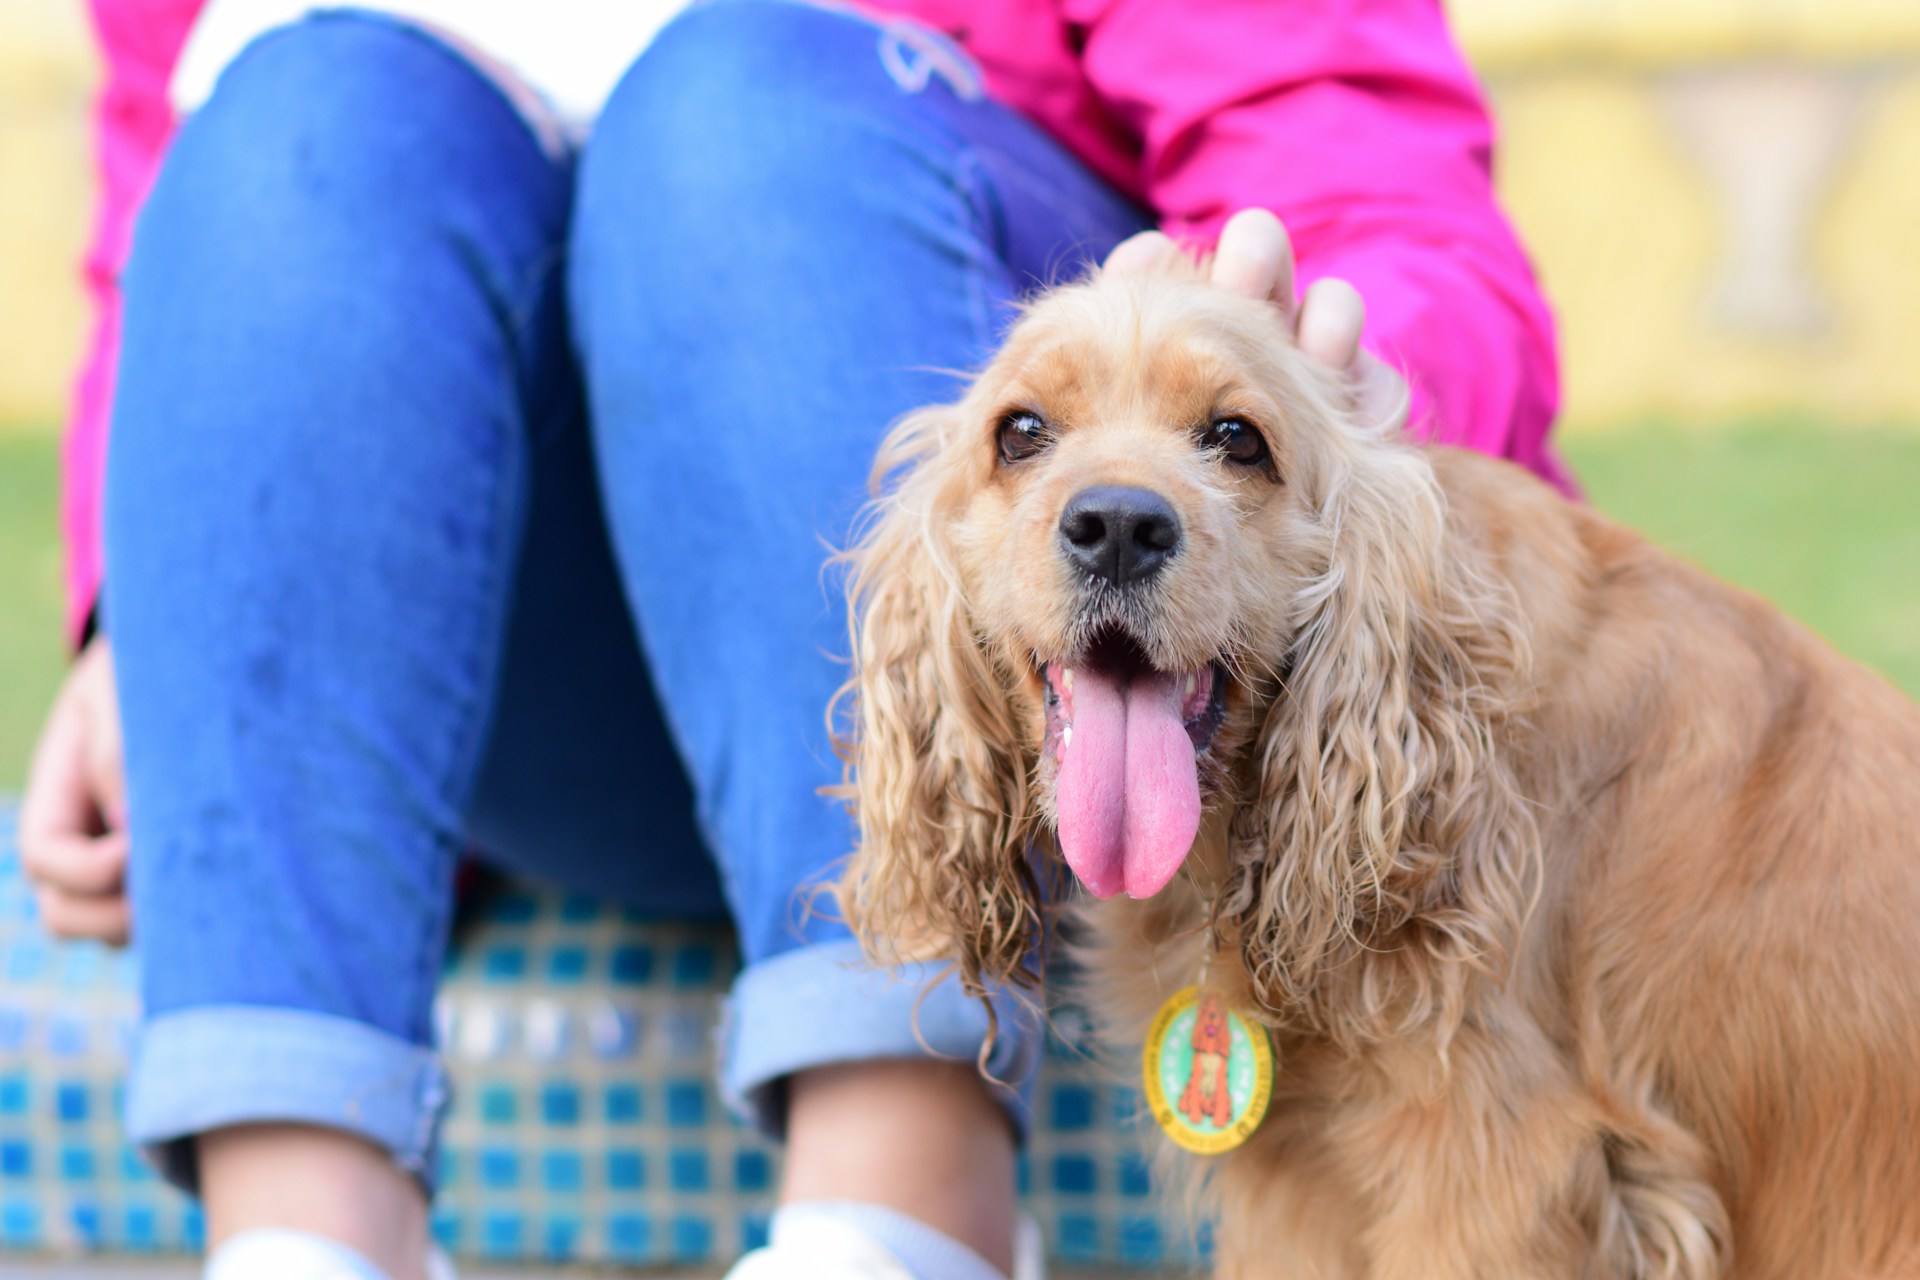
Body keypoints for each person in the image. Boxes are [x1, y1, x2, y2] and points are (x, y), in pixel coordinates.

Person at [20, 3, 1571, 1279]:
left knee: (738, 101)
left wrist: (1319, 392)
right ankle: (301, 1230)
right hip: (510, 684)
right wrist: (143, 613)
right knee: (302, 115)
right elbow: (172, 227)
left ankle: (907, 1204)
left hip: (1018, 666)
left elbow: (1381, 195)